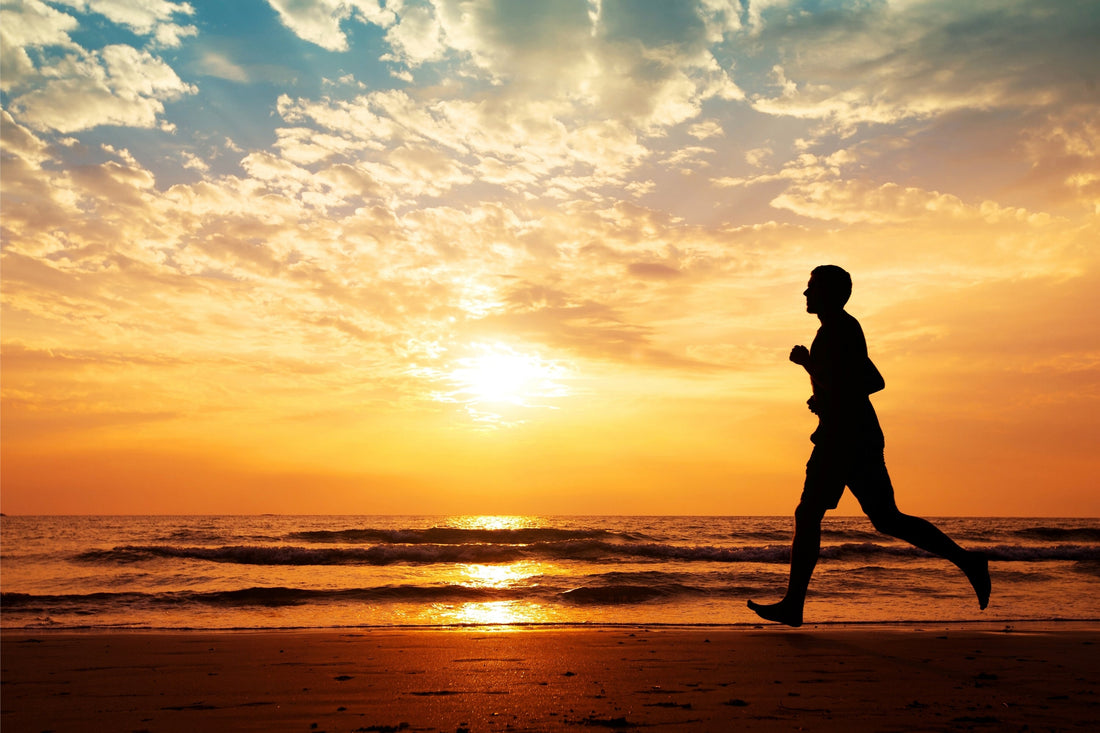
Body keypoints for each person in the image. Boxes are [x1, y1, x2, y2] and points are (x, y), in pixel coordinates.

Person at [748, 265, 991, 627]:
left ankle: (793, 605)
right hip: (848, 432)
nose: (805, 293)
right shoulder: (834, 330)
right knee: (884, 518)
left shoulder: (842, 329)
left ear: (832, 293)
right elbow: (857, 380)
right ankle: (967, 561)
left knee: (811, 512)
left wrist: (808, 365)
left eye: (812, 287)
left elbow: (871, 382)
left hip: (846, 437)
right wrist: (823, 396)